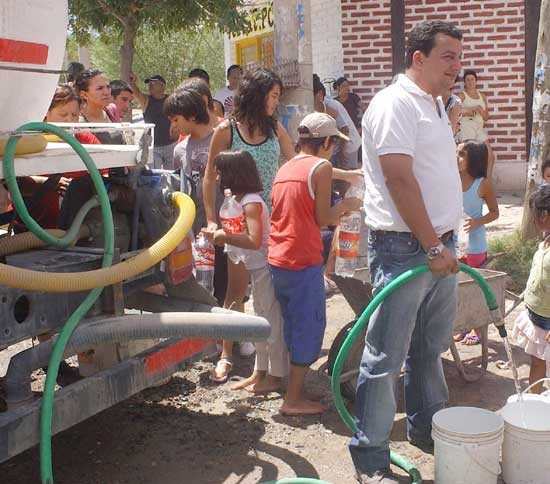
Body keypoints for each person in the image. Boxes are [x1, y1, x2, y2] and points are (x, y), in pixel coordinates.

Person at [350, 21, 463, 484]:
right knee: (385, 358)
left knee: (428, 348)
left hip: (439, 245)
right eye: (448, 57)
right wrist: (433, 245)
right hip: (407, 248)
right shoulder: (395, 103)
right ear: (419, 59)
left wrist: (445, 240)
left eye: (459, 56)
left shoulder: (434, 104)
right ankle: (371, 458)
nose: (457, 67)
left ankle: (426, 430)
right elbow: (399, 179)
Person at [203, 67, 295, 383]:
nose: (276, 102)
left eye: (278, 97)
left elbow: (295, 162)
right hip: (238, 222)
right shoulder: (227, 131)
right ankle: (227, 352)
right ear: (257, 95)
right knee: (236, 291)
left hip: (273, 221)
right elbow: (209, 178)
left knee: (269, 295)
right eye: (272, 96)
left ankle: (265, 359)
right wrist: (213, 219)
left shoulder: (274, 128)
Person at [269, 112, 361, 415]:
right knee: (308, 327)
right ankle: (292, 400)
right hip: (301, 259)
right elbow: (324, 218)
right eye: (333, 144)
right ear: (327, 143)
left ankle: (288, 387)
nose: (333, 150)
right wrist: (346, 206)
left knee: (291, 325)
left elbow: (314, 172)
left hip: (279, 257)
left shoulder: (288, 166)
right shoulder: (321, 167)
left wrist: (347, 175)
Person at [205, 150, 288, 393]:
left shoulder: (251, 202)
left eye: (220, 172)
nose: (218, 177)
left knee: (271, 320)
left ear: (233, 174)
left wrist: (224, 236)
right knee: (259, 319)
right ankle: (259, 371)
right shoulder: (237, 201)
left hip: (264, 267)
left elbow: (253, 240)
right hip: (253, 266)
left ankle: (276, 374)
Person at [454, 140, 499, 346]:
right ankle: (462, 325)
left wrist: (477, 222)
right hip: (455, 243)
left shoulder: (483, 184)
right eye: (456, 153)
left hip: (476, 246)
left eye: (462, 154)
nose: (457, 158)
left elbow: (494, 212)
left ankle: (477, 329)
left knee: (476, 289)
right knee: (457, 288)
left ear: (474, 159)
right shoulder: (451, 180)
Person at [512, 184, 550, 393]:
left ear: (544, 214)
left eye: (535, 213)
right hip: (537, 317)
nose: (534, 219)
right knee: (537, 363)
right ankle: (533, 401)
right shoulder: (546, 240)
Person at [129, 73, 175, 169]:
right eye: (149, 83)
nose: (150, 85)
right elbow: (136, 93)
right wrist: (132, 82)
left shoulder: (171, 100)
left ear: (162, 85)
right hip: (153, 147)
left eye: (153, 83)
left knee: (172, 175)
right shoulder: (146, 100)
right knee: (155, 175)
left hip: (171, 145)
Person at [458, 70, 494, 178]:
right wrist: (471, 110)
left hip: (479, 127)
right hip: (466, 125)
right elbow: (456, 112)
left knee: (490, 155)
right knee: (469, 157)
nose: (470, 82)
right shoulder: (462, 95)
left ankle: (487, 184)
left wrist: (482, 112)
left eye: (472, 79)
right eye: (467, 80)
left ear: (476, 81)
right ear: (464, 82)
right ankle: (467, 186)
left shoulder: (482, 96)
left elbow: (487, 117)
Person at [75, 69, 125, 145]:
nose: (106, 92)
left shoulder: (111, 111)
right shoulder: (79, 123)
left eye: (108, 87)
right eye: (100, 88)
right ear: (84, 94)